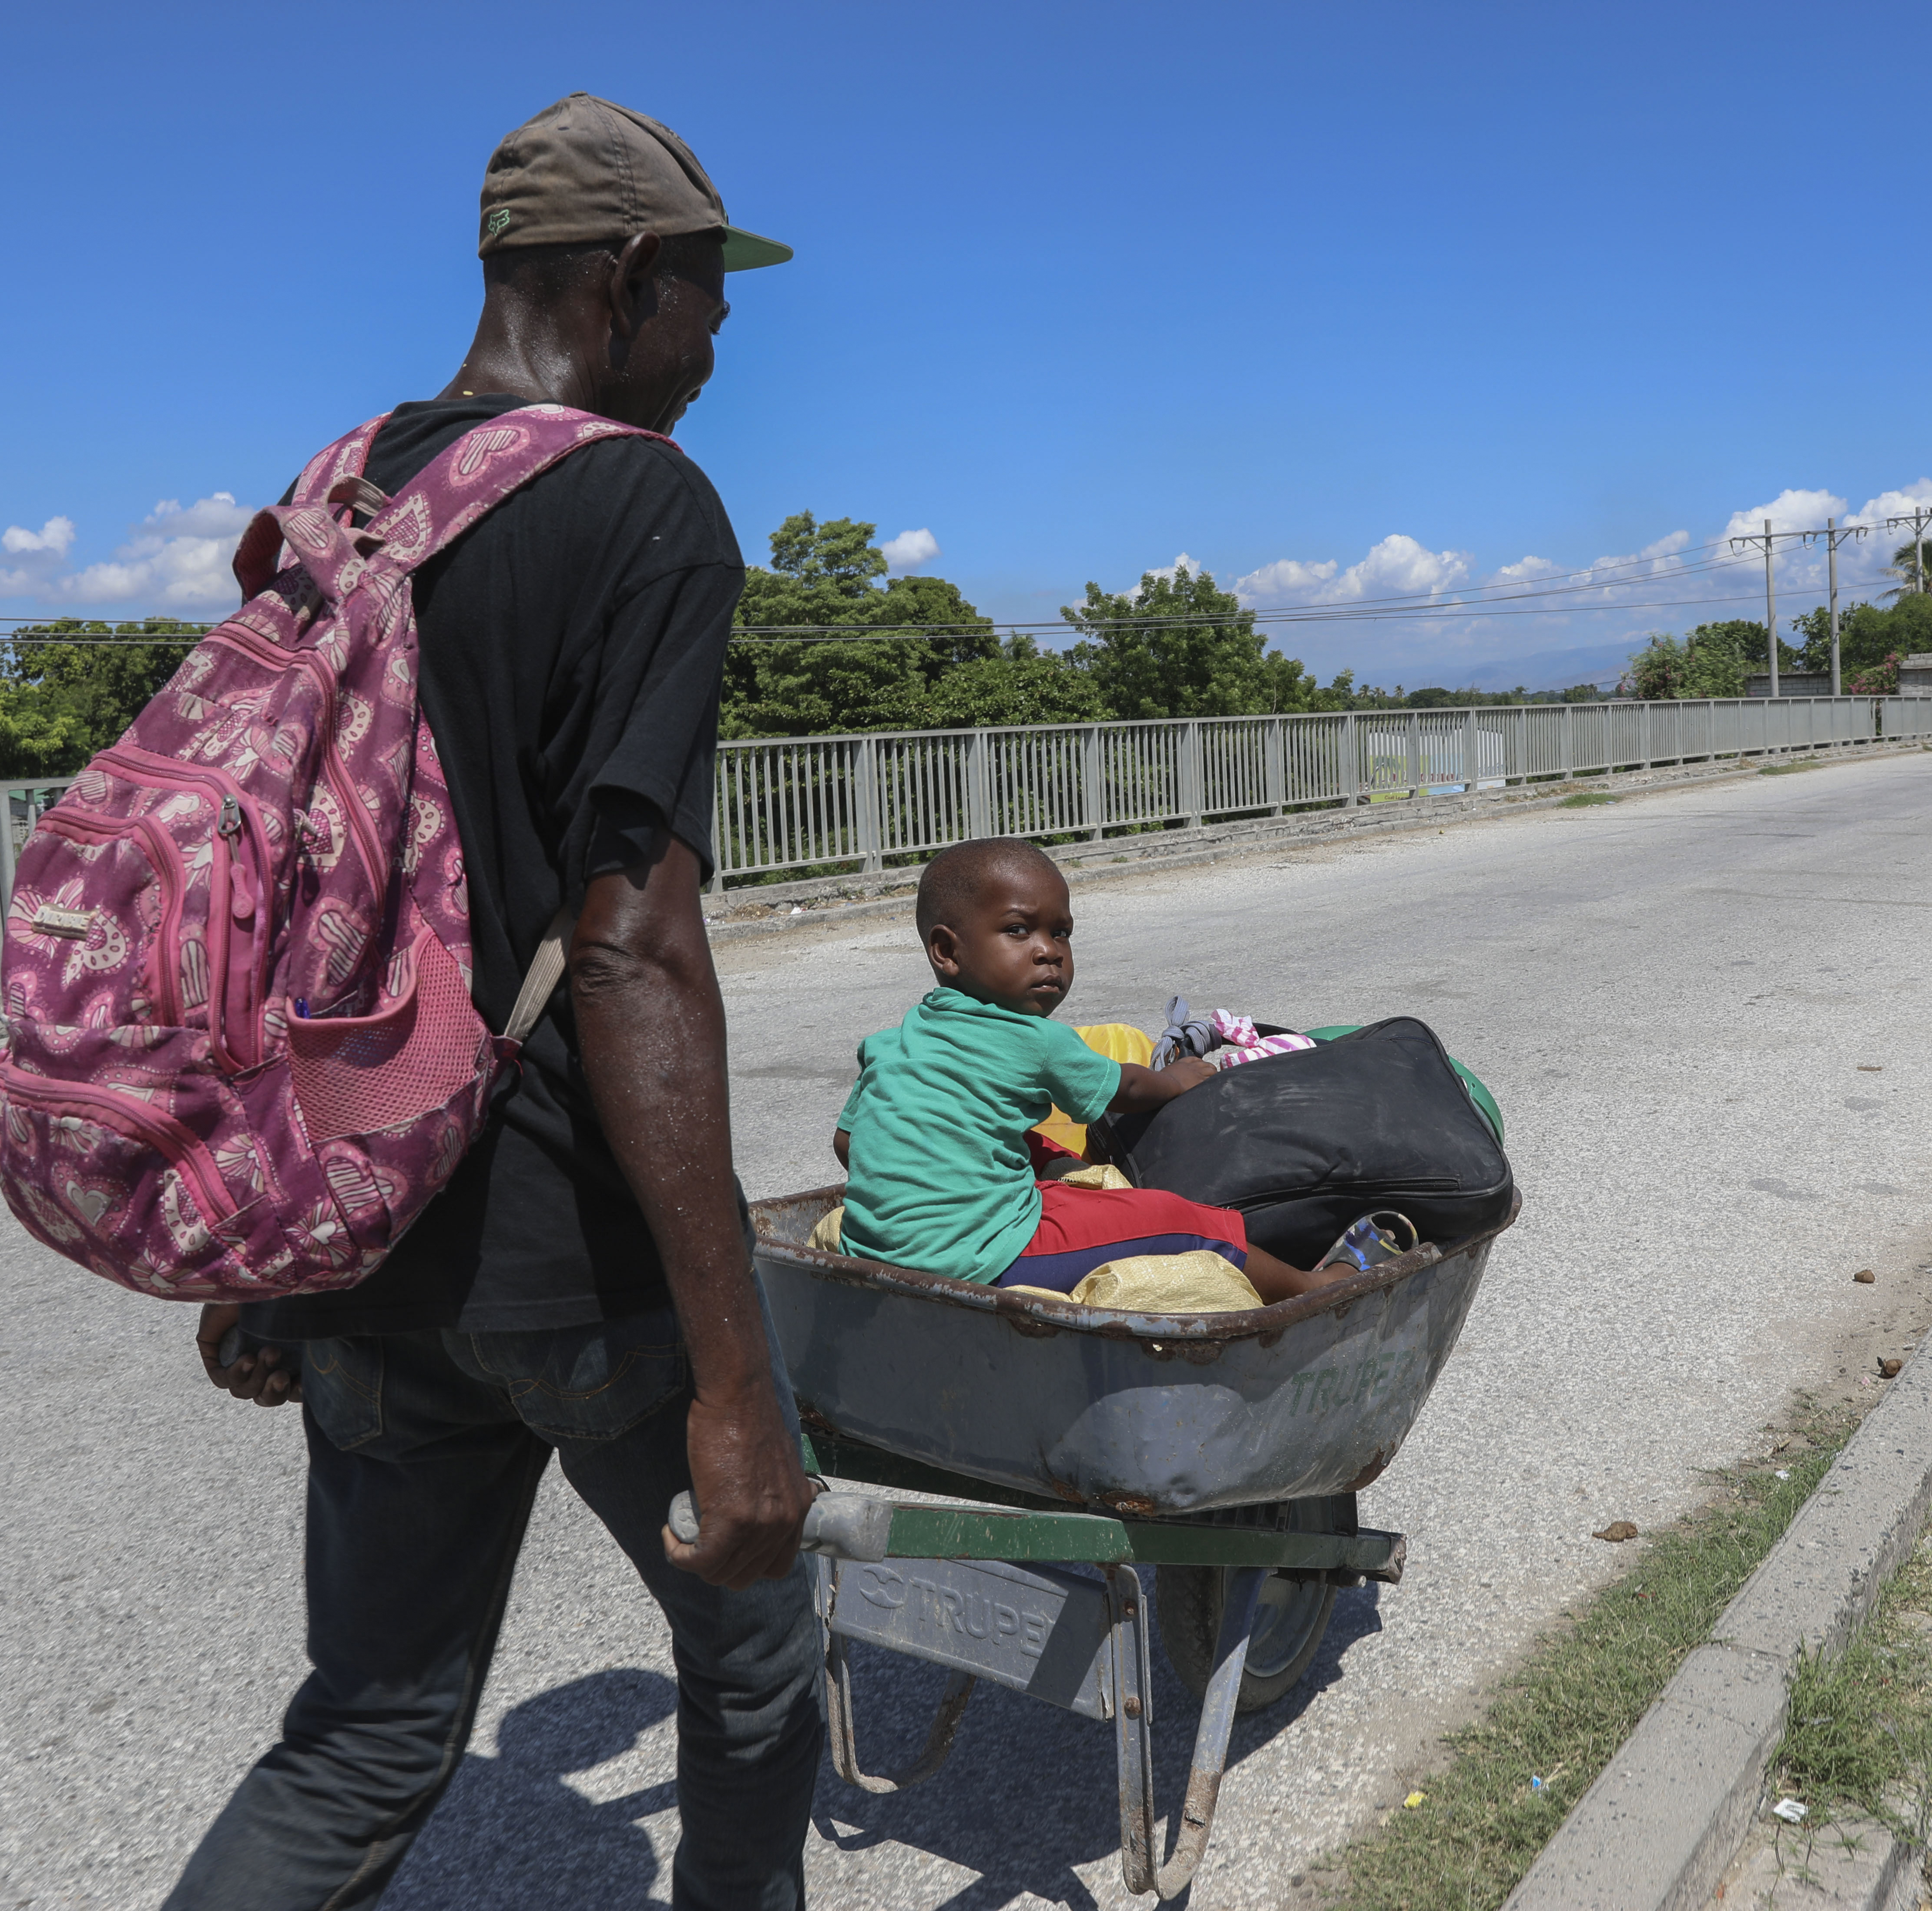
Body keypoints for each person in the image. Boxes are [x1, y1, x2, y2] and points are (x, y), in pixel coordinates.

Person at [171, 94, 819, 1911]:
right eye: (702, 306)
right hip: (567, 1241)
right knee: (759, 1651)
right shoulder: (642, 502)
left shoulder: (345, 493)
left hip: (359, 1224)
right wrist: (734, 1374)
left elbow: (273, 893)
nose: (707, 354)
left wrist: (259, 1240)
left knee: (370, 1734)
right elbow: (628, 942)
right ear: (624, 282)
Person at [829, 837, 1363, 1304]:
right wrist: (1176, 1080)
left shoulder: (891, 1042)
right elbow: (1124, 1087)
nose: (1049, 953)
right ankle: (1308, 1287)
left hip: (874, 1247)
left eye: (1061, 933)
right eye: (1018, 930)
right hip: (983, 1256)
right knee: (1177, 1218)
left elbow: (849, 1144)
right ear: (947, 950)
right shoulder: (1035, 1040)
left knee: (1030, 1148)